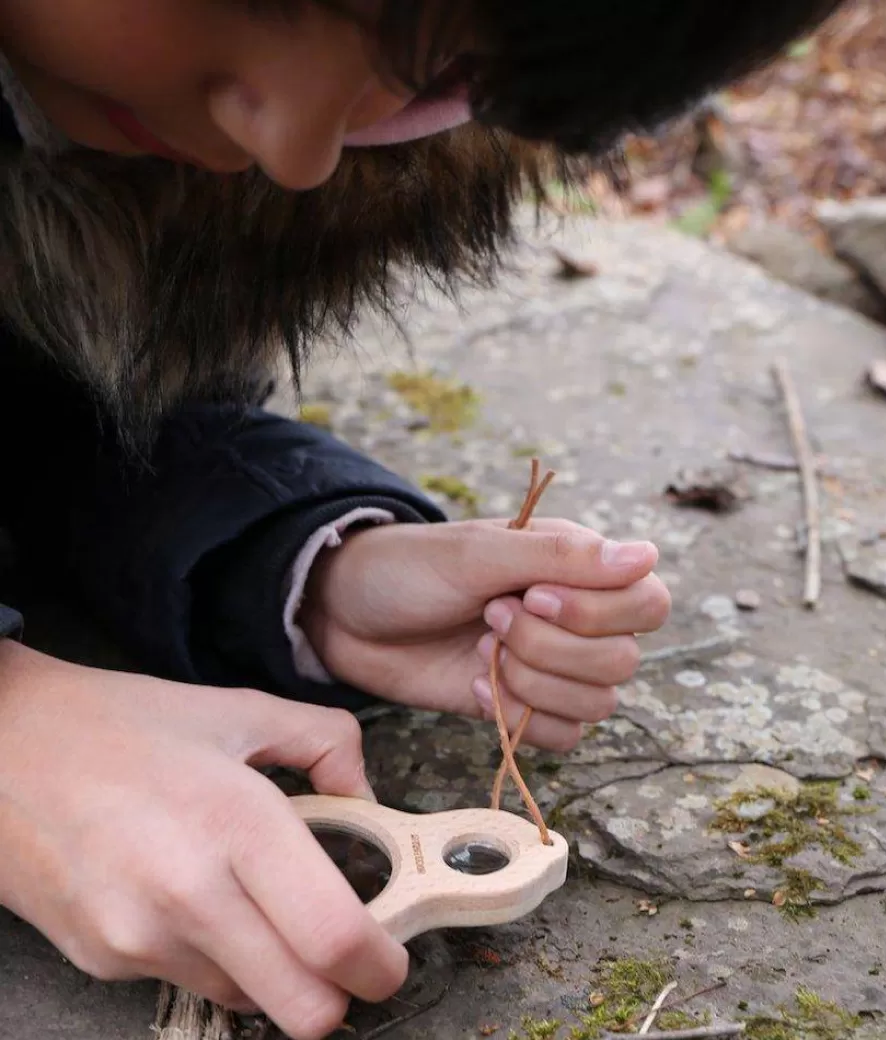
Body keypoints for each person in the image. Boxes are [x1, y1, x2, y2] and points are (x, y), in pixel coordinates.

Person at [0, 2, 843, 1038]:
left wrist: (302, 568)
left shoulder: (156, 150)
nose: (296, 148)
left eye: (433, 75)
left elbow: (64, 418)